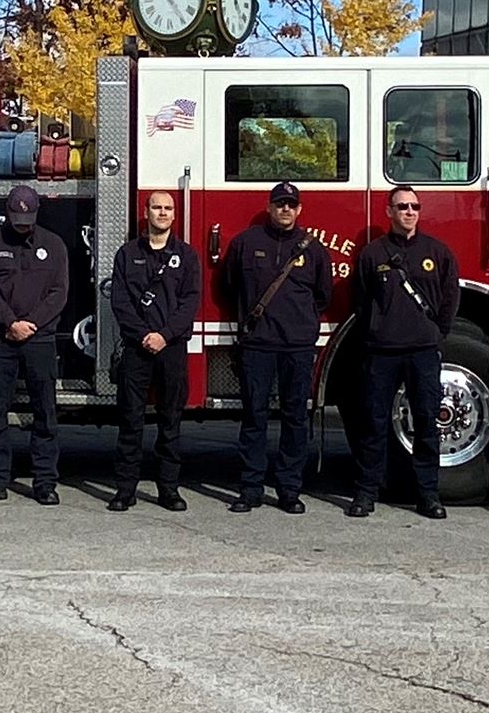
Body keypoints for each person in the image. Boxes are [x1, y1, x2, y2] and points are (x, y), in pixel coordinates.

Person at [348, 185, 460, 519]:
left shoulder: (437, 252)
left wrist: (437, 332)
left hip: (423, 352)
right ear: (389, 212)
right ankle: (366, 494)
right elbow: (361, 299)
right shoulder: (372, 254)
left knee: (426, 423)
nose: (409, 212)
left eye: (414, 206)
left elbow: (449, 296)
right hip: (382, 352)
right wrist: (377, 330)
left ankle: (428, 495)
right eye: (401, 206)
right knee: (374, 424)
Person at [225, 181, 336, 514]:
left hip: (298, 346)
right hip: (257, 345)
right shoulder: (246, 243)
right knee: (254, 418)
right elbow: (230, 285)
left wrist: (298, 323)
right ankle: (250, 489)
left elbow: (323, 294)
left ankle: (289, 490)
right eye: (279, 203)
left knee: (294, 419)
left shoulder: (313, 250)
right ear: (269, 207)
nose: (285, 209)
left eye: (291, 204)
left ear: (299, 210)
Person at [0, 183, 70, 504]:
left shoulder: (54, 246)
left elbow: (59, 292)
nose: (21, 224)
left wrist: (31, 325)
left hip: (39, 339)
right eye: (16, 218)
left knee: (44, 414)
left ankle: (45, 483)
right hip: (1, 339)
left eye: (27, 219)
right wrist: (10, 323)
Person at [106, 188, 202, 512]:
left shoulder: (187, 256)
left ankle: (169, 490)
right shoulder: (126, 254)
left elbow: (190, 302)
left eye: (168, 208)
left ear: (175, 215)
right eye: (156, 207)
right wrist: (144, 334)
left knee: (170, 421)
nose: (162, 213)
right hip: (136, 348)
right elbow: (120, 301)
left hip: (171, 348)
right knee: (130, 422)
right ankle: (125, 490)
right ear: (145, 212)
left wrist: (164, 335)